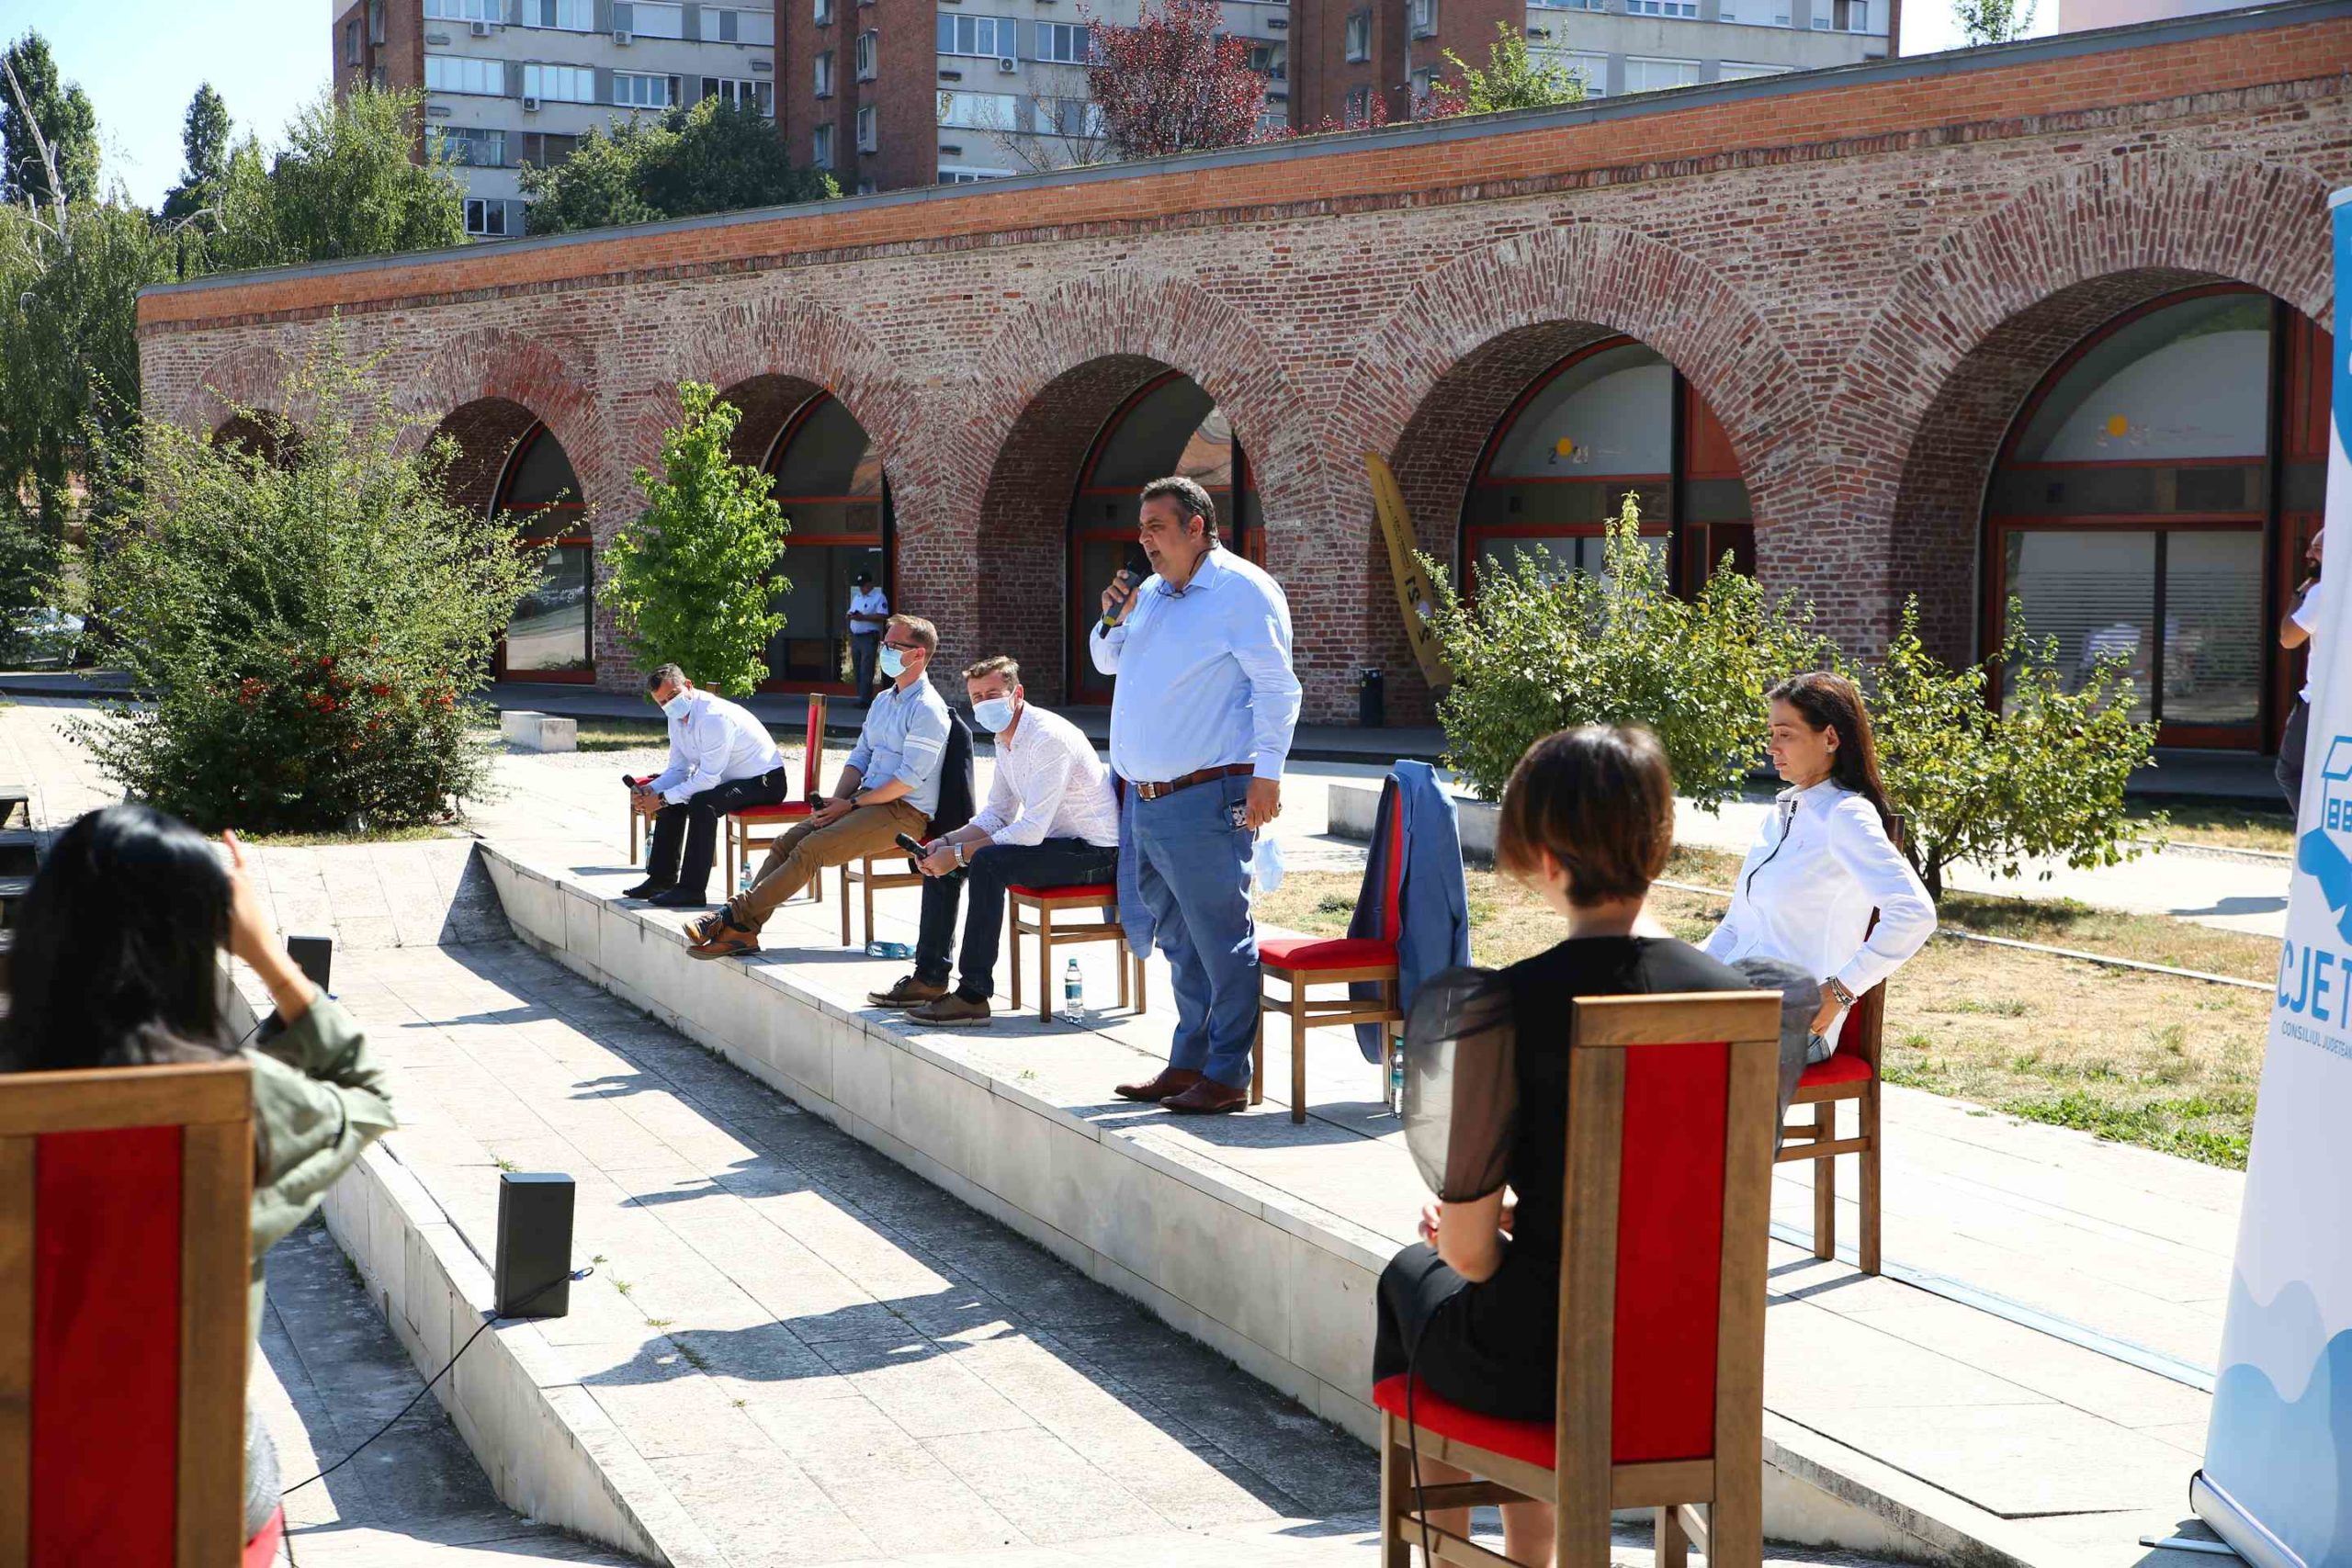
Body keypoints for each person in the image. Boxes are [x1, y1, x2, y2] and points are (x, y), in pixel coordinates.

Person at [1373, 726, 1753, 1567]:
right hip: (1687, 1370)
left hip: (1545, 1361)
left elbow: (1470, 1255)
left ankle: (1470, 1559)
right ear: (1658, 841)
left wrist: (1498, 1222)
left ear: (1545, 858)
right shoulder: (1738, 1000)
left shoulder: (1506, 1005)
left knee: (1413, 1278)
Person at [1, 804, 397, 1555]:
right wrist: (268, 955)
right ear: (192, 942)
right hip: (199, 1515)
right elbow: (366, 1091)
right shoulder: (226, 1106)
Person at [1091, 475, 1300, 1115]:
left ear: (1196, 527)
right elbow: (1107, 661)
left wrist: (1268, 774)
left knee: (1219, 938)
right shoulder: (1150, 593)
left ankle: (1227, 1073)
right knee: (1181, 940)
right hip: (1147, 799)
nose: (1145, 540)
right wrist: (1111, 615)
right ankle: (1189, 1061)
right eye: (1141, 528)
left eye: (1158, 526)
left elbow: (1277, 688)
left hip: (1207, 794)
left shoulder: (1242, 591)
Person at [865, 656, 1121, 1026]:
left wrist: (959, 854)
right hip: (1057, 844)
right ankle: (930, 978)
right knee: (943, 857)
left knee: (985, 862)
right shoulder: (1007, 739)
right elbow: (997, 814)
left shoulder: (1047, 737)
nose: (985, 703)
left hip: (1095, 852)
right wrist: (946, 843)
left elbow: (1030, 829)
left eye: (993, 694)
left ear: (1017, 694)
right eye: (977, 697)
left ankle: (973, 995)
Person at [690, 614, 950, 960]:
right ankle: (744, 933)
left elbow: (907, 780)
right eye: (883, 644)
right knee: (786, 843)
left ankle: (728, 916)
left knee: (810, 850)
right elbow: (859, 757)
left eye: (892, 646)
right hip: (864, 802)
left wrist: (852, 806)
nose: (883, 651)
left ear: (918, 654)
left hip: (903, 812)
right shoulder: (884, 700)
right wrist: (838, 802)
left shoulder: (928, 709)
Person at [1702, 671, 1936, 1050]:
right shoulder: (1777, 817)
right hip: (1742, 1001)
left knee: (1644, 1055)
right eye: (1771, 734)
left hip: (1798, 1026)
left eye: (1785, 734)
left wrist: (1838, 992)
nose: (1771, 748)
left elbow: (1915, 912)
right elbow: (1735, 928)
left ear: (1830, 738)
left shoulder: (1846, 815)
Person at [626, 664, 789, 907]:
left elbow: (708, 779)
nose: (670, 704)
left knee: (703, 803)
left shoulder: (713, 717)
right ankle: (661, 879)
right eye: (662, 702)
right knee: (673, 798)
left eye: (673, 696)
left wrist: (661, 799)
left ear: (688, 685)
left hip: (765, 781)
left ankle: (692, 890)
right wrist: (653, 790)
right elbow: (679, 770)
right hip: (730, 780)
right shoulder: (675, 717)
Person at [2279, 527, 2325, 819]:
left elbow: (2288, 638)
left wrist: (2300, 594)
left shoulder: (2323, 591)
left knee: (2290, 771)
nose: (2308, 554)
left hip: (2318, 701)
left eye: (2317, 549)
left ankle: (2311, 835)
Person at [847, 570, 890, 705]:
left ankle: (865, 699)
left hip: (869, 637)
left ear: (870, 584)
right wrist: (851, 616)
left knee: (866, 667)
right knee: (857, 667)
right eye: (860, 586)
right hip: (856, 636)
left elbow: (882, 616)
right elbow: (849, 613)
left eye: (864, 585)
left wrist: (863, 617)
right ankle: (860, 696)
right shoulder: (857, 598)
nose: (862, 588)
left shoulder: (879, 597)